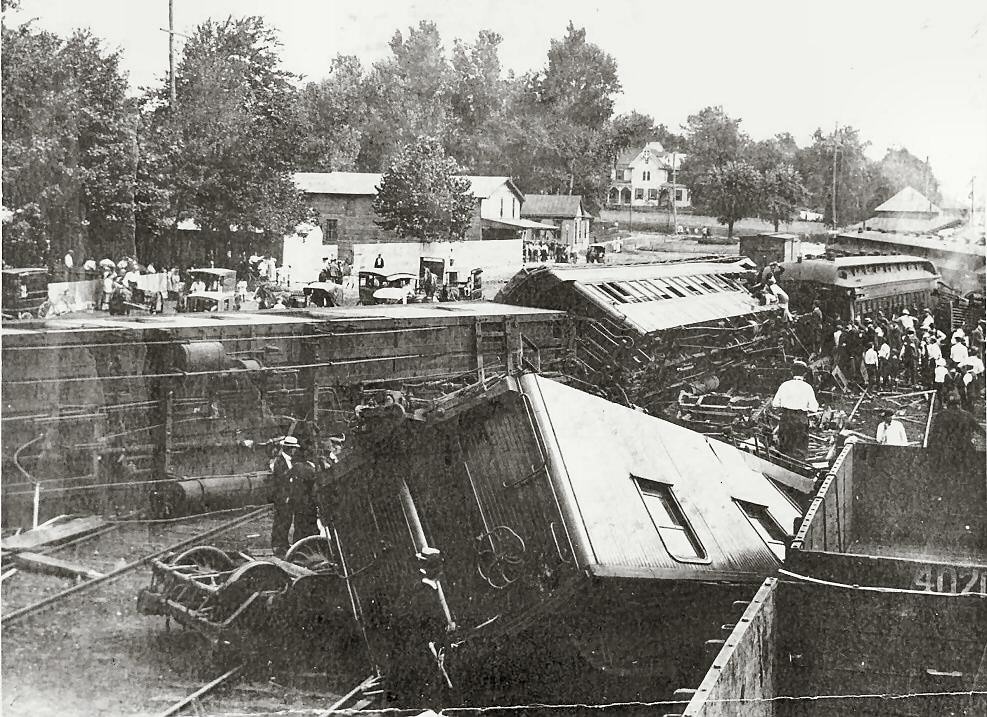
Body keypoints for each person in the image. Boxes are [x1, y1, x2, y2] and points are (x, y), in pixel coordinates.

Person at [771, 361, 819, 460]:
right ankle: (798, 466)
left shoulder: (784, 385)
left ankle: (784, 465)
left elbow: (775, 404)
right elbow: (814, 408)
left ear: (792, 372)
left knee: (784, 446)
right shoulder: (807, 388)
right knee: (800, 447)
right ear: (805, 373)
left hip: (786, 417)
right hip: (800, 418)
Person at [270, 436, 301, 556]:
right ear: (288, 448)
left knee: (287, 520)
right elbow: (280, 480)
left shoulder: (290, 461)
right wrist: (285, 496)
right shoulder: (280, 462)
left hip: (289, 495)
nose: (294, 450)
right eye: (293, 448)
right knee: (281, 520)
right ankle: (277, 544)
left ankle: (283, 543)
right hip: (282, 496)